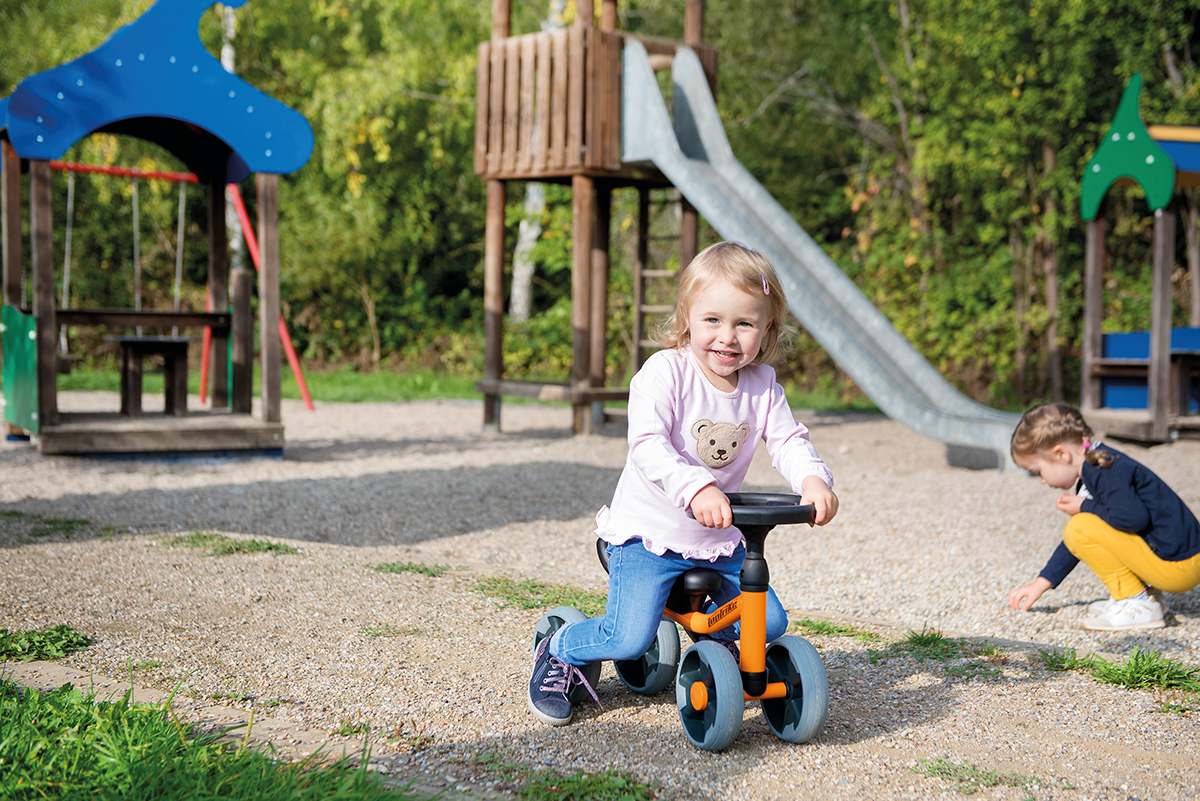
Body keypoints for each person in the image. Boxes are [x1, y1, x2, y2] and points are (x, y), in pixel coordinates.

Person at [527, 241, 839, 726]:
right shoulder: (666, 373)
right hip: (646, 536)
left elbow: (788, 439)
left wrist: (813, 479)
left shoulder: (762, 385)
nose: (728, 337)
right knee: (629, 637)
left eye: (745, 323)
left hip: (715, 542)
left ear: (766, 329)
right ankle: (561, 647)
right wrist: (696, 487)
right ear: (687, 318)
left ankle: (719, 660)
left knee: (769, 622)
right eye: (713, 319)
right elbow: (648, 444)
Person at [1006, 403, 1200, 631]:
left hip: (1178, 567)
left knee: (1079, 526)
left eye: (1038, 471)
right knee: (1082, 527)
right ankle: (1147, 597)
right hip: (1183, 560)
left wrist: (1085, 506)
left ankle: (1136, 603)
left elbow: (1133, 519)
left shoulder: (1102, 470)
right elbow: (1081, 540)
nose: (1041, 480)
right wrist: (1041, 583)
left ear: (1061, 454)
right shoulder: (1097, 461)